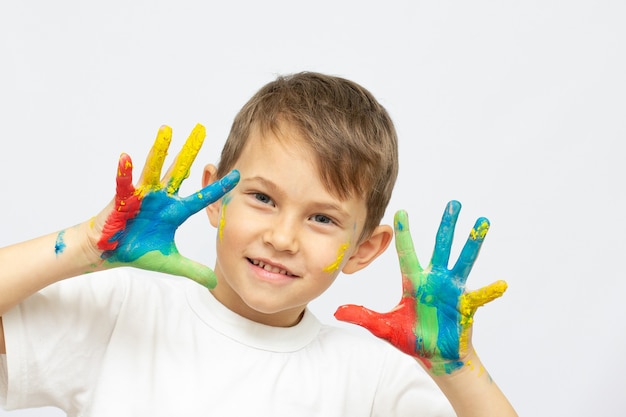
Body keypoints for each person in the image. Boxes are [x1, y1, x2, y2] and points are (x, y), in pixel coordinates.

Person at [0, 72, 517, 416]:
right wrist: (87, 245)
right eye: (262, 198)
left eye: (321, 217)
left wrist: (458, 365)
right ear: (215, 197)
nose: (282, 237)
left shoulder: (373, 379)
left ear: (364, 248)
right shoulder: (123, 311)